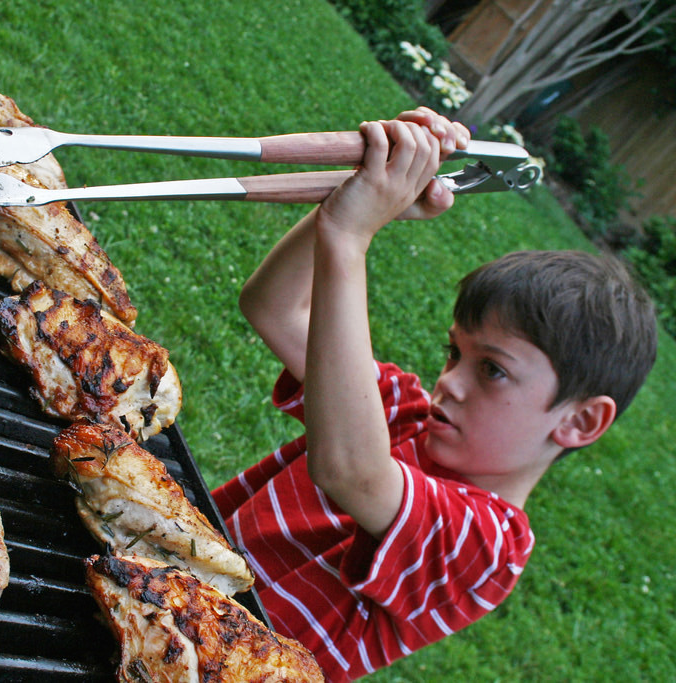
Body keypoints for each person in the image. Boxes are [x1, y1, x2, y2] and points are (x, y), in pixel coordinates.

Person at [211, 107, 657, 681]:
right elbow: (272, 308)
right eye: (455, 354)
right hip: (156, 580)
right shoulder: (403, 414)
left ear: (579, 422)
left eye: (492, 370)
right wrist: (365, 193)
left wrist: (351, 236)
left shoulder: (489, 548)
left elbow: (353, 471)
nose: (450, 381)